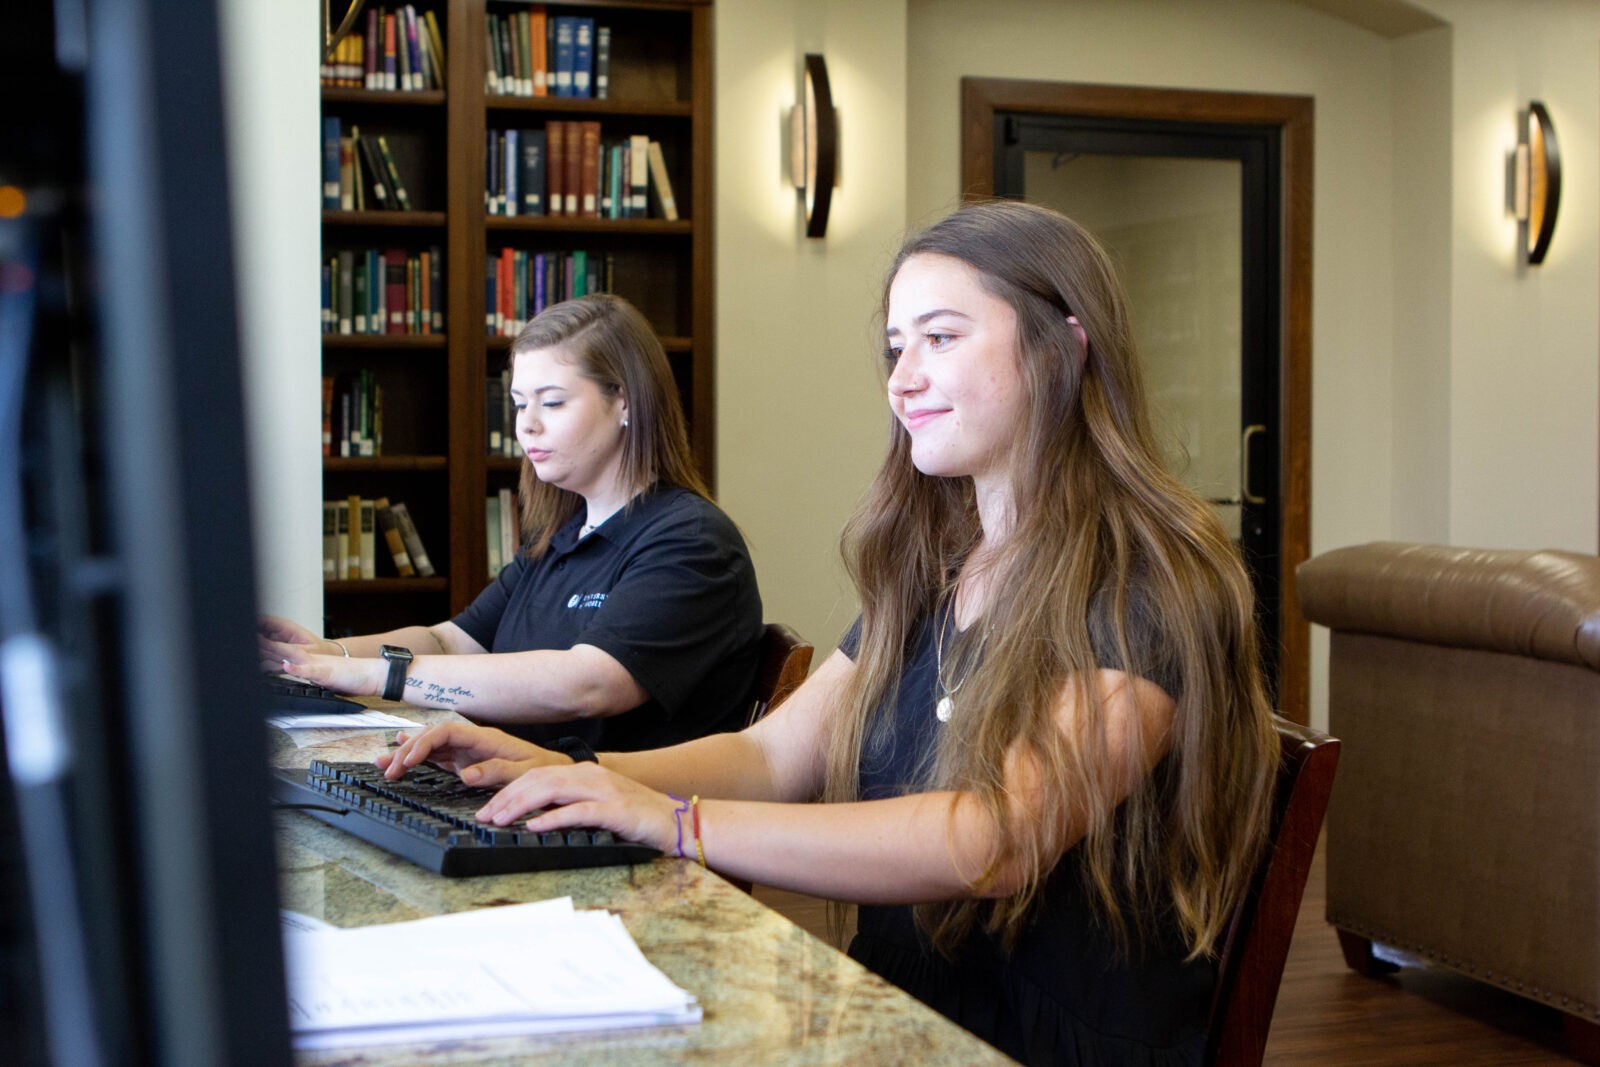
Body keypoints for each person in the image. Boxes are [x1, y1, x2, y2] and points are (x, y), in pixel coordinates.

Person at [376, 202, 1278, 1064]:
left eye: (941, 337)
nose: (902, 378)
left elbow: (992, 839)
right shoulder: (934, 569)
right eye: (896, 347)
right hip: (897, 1009)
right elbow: (774, 758)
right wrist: (571, 775)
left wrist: (677, 822)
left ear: (1063, 349)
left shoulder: (1150, 583)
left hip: (1029, 1043)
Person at [260, 293, 763, 753]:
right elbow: (451, 641)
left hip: (624, 823)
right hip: (529, 792)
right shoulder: (563, 534)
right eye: (521, 404)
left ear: (624, 400)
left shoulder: (691, 541)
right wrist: (322, 654)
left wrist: (377, 676)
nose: (527, 424)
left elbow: (587, 683)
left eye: (553, 401)